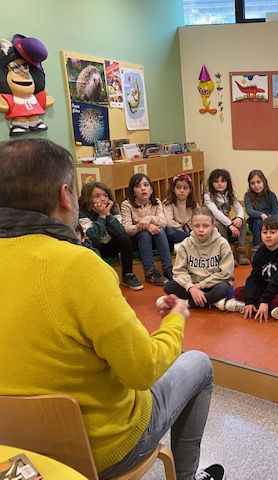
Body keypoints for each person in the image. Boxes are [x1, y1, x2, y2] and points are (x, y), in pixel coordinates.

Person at [0, 138, 224, 480]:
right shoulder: (78, 266)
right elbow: (142, 371)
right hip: (103, 450)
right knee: (199, 364)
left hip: (14, 449)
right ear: (65, 196)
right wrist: (174, 320)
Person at [159, 207, 234, 311]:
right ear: (191, 226)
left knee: (223, 288)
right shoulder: (185, 244)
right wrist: (191, 287)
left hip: (214, 284)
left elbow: (226, 273)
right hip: (193, 284)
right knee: (168, 287)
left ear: (213, 226)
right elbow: (179, 271)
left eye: (206, 226)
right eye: (197, 226)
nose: (201, 229)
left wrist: (201, 285)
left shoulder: (222, 243)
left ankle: (188, 303)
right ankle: (213, 302)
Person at [224, 218, 278, 321]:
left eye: (272, 232)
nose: (268, 235)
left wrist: (265, 301)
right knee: (238, 292)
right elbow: (255, 277)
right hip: (265, 286)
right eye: (264, 232)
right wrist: (250, 300)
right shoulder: (260, 252)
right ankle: (266, 307)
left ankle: (248, 306)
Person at [78, 181, 143, 290]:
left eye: (105, 195)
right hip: (96, 250)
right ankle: (99, 278)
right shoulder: (83, 213)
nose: (103, 199)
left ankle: (128, 275)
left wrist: (108, 214)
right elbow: (92, 235)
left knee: (124, 239)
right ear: (87, 198)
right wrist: (101, 216)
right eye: (97, 196)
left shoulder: (112, 210)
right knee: (93, 242)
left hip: (110, 246)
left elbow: (121, 231)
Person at [121, 173, 173, 286]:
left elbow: (163, 223)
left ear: (151, 189)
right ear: (133, 191)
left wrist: (149, 219)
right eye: (137, 186)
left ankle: (168, 269)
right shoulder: (126, 204)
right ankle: (150, 272)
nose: (143, 188)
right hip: (137, 241)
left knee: (161, 231)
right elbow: (127, 229)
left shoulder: (156, 202)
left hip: (155, 238)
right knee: (144, 234)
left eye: (146, 185)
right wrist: (145, 226)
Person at [203, 168, 250, 265]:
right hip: (215, 228)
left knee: (242, 220)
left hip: (228, 226)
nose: (219, 184)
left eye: (223, 181)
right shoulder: (208, 196)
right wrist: (229, 225)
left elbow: (238, 207)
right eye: (216, 181)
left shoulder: (231, 194)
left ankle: (241, 251)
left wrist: (239, 218)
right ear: (211, 183)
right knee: (219, 223)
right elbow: (215, 212)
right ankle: (227, 253)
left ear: (227, 182)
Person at [244, 169, 278, 255]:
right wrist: (261, 215)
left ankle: (275, 246)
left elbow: (277, 214)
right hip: (255, 222)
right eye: (252, 183)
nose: (256, 185)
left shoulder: (271, 195)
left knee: (275, 223)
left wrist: (268, 218)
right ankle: (256, 247)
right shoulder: (248, 196)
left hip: (270, 220)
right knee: (258, 221)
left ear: (264, 182)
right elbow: (250, 211)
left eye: (258, 182)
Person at [163, 173, 198, 253]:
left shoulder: (193, 204)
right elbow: (169, 222)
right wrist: (181, 229)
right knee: (169, 232)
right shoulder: (168, 203)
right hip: (176, 231)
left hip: (189, 230)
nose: (182, 191)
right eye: (178, 188)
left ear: (190, 190)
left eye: (185, 188)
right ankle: (194, 242)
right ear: (173, 189)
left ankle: (185, 245)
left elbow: (197, 218)